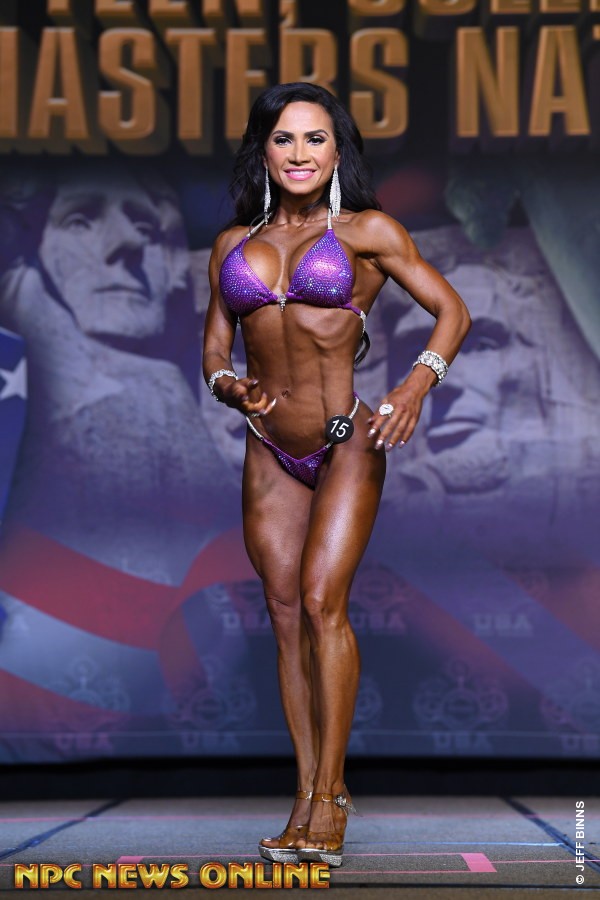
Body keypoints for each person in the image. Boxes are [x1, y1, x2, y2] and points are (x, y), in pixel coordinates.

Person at [202, 83, 471, 867]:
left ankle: (332, 794)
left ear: (336, 151)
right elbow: (215, 347)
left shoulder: (366, 230)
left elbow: (452, 312)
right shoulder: (231, 245)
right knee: (285, 612)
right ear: (263, 151)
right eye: (284, 139)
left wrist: (413, 388)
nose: (299, 154)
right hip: (267, 448)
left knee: (323, 602)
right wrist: (228, 385)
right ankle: (303, 795)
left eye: (315, 139)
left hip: (346, 440)